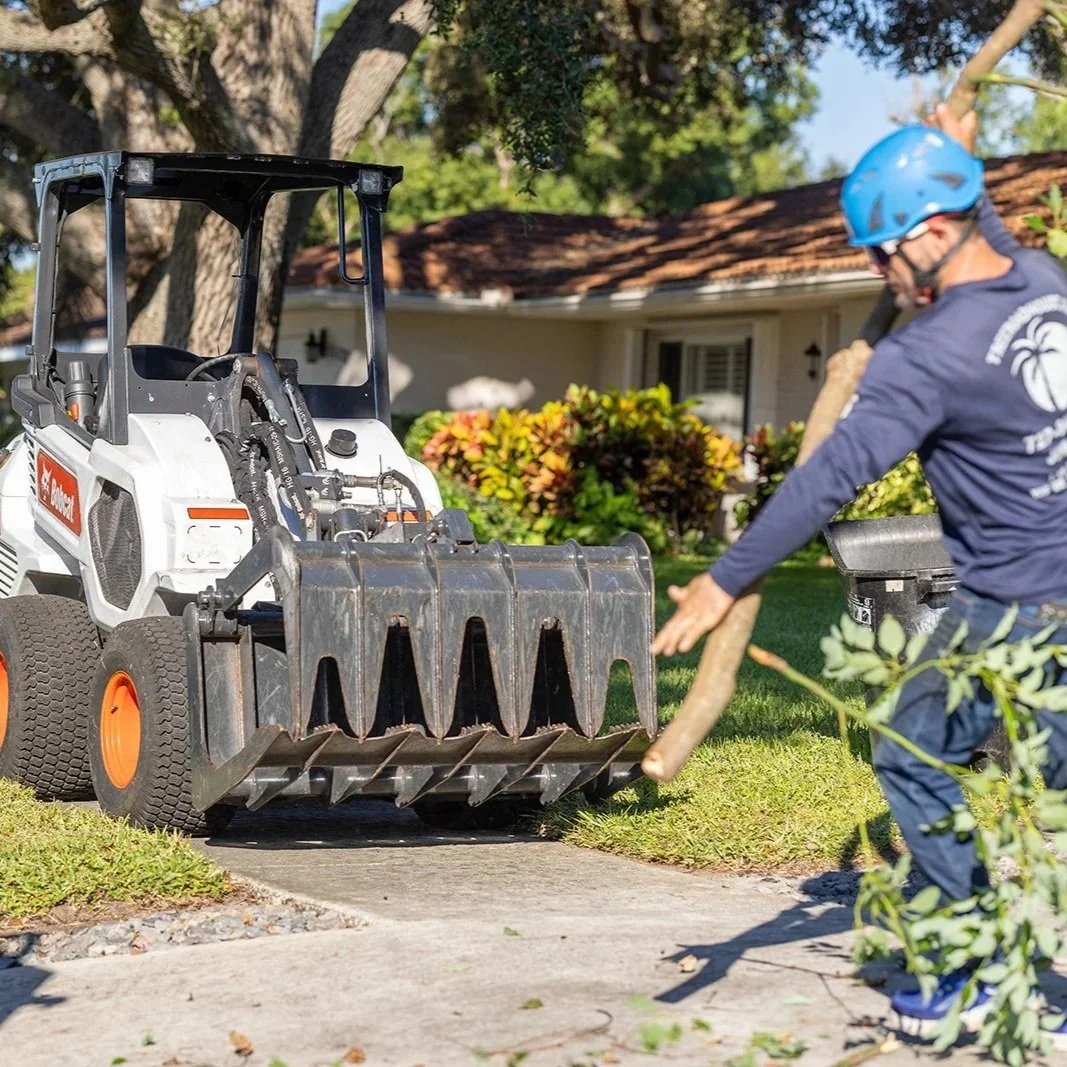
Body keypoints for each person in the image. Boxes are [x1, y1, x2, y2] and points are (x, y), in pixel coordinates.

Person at [652, 105, 1067, 1040]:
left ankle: (961, 967)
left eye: (880, 253)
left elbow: (826, 480)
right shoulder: (1042, 281)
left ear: (927, 236)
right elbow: (989, 235)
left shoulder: (924, 359)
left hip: (1014, 614)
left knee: (916, 765)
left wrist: (724, 578)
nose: (875, 273)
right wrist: (958, 155)